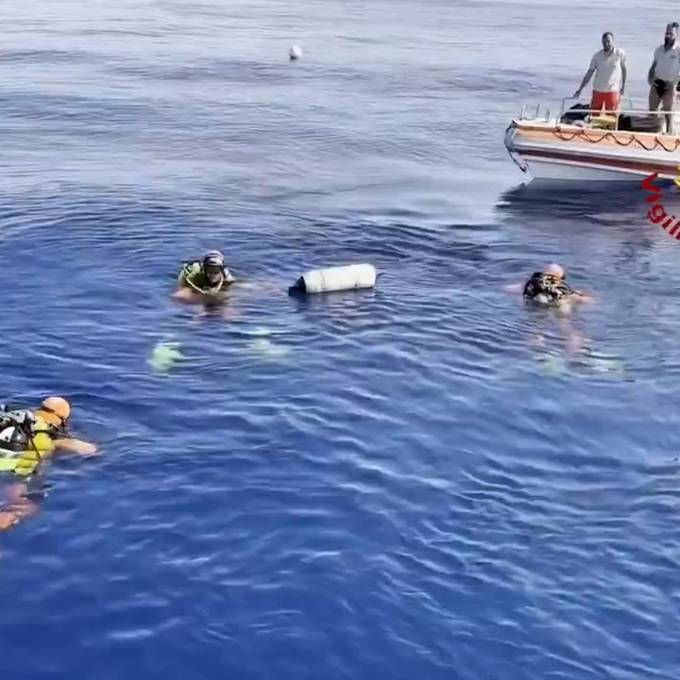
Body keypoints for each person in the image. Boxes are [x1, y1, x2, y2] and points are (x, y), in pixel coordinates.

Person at [0, 397, 97, 531]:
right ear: (63, 420)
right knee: (23, 508)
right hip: (13, 475)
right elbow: (89, 450)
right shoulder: (51, 436)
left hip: (6, 462)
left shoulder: (15, 419)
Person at [574, 32, 627, 113]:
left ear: (613, 41)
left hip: (612, 91)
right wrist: (580, 89)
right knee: (594, 115)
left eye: (608, 41)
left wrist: (623, 86)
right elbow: (589, 73)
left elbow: (624, 70)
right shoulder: (597, 56)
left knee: (612, 117)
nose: (606, 44)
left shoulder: (620, 54)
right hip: (598, 90)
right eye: (604, 42)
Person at [504, 264, 591, 305]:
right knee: (564, 320)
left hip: (531, 303)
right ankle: (573, 337)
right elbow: (587, 301)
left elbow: (507, 289)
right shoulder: (563, 290)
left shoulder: (529, 284)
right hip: (555, 304)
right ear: (559, 279)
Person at [648, 23, 680, 133]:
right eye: (667, 33)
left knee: (668, 113)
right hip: (657, 82)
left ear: (676, 35)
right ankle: (654, 131)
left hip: (670, 84)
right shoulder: (659, 49)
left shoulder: (678, 50)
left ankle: (670, 134)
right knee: (652, 111)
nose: (668, 36)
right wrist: (650, 78)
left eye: (671, 34)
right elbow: (653, 66)